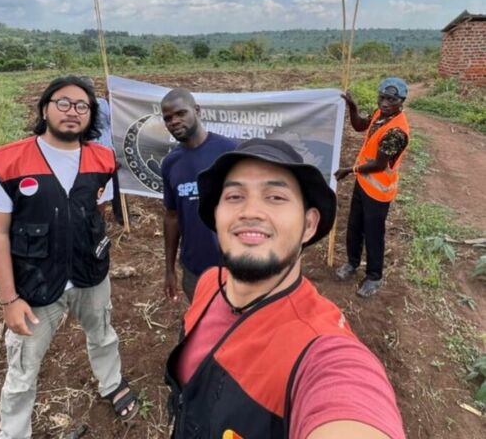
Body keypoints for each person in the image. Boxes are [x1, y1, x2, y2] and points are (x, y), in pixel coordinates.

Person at [165, 138, 405, 438]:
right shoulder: (208, 284)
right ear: (216, 215)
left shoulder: (324, 354)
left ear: (309, 225)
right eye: (234, 196)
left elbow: (349, 405)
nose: (250, 211)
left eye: (276, 197)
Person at [0, 75, 137, 439]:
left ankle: (111, 383)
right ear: (45, 109)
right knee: (23, 367)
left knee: (103, 334)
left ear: (91, 115)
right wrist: (9, 299)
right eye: (63, 103)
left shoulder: (102, 159)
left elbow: (94, 211)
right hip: (34, 284)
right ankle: (14, 432)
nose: (72, 112)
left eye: (82, 106)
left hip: (90, 274)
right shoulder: (10, 161)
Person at [334, 77, 410, 298]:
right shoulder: (380, 115)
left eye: (391, 100)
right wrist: (352, 106)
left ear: (401, 101)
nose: (385, 103)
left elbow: (378, 165)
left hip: (379, 191)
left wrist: (349, 170)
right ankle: (352, 263)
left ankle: (374, 276)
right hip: (363, 184)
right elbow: (359, 126)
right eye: (383, 98)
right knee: (354, 225)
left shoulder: (396, 131)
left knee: (374, 233)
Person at [160, 88, 236, 302]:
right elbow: (172, 216)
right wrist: (169, 270)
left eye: (180, 113)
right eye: (168, 118)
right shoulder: (171, 163)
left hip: (237, 267)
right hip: (195, 270)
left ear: (197, 111)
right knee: (205, 327)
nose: (174, 121)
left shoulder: (230, 152)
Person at [82, 76, 123, 225]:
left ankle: (120, 216)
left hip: (106, 152)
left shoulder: (103, 104)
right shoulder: (81, 107)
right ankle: (96, 220)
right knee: (98, 188)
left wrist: (112, 100)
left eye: (90, 89)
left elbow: (114, 120)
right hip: (91, 155)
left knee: (114, 186)